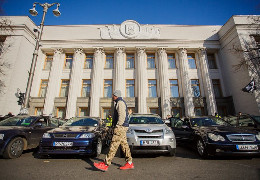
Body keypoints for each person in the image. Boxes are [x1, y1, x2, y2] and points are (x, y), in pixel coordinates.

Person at [94, 90, 134, 171]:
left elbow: (122, 116)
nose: (112, 96)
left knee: (114, 145)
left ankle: (105, 164)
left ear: (116, 95)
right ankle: (129, 163)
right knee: (124, 145)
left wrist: (118, 126)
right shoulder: (119, 102)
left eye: (113, 95)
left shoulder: (120, 103)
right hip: (122, 127)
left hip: (121, 127)